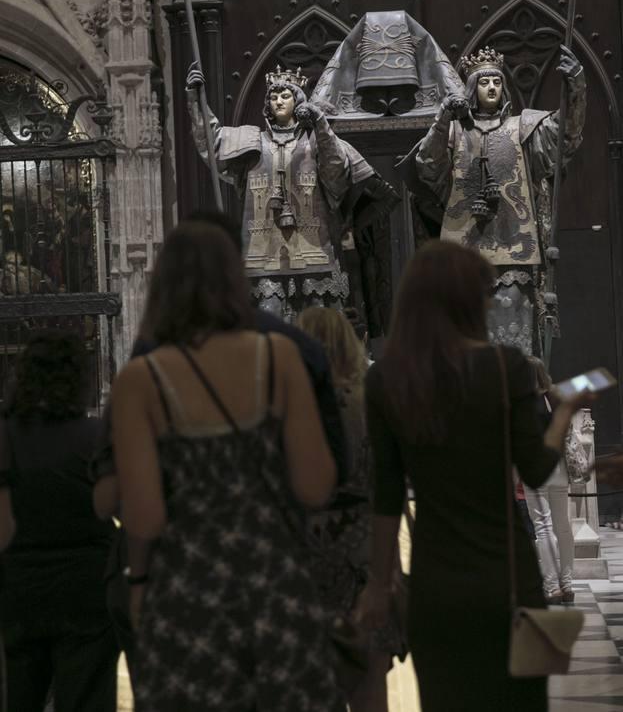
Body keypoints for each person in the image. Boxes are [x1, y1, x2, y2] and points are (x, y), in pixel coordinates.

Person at [111, 220, 344, 712]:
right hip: (275, 586)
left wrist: (138, 582)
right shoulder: (277, 357)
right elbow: (316, 484)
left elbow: (145, 517)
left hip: (188, 596)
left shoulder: (141, 380)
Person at [356, 240, 589, 712]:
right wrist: (563, 411)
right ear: (465, 300)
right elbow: (538, 466)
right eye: (485, 295)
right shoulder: (505, 369)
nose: (490, 304)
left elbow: (384, 497)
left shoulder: (387, 381)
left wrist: (379, 586)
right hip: (509, 580)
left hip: (436, 586)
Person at [398, 44, 586, 356]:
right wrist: (444, 115)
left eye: (497, 82)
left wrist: (575, 84)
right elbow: (427, 164)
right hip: (463, 256)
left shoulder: (522, 128)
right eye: (484, 82)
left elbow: (564, 134)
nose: (491, 88)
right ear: (472, 88)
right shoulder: (455, 132)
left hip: (514, 254)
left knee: (515, 348)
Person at [186, 64, 397, 322]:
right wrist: (196, 98)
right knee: (269, 335)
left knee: (320, 333)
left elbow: (337, 173)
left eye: (285, 95)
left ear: (298, 100)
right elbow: (213, 141)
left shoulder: (317, 142)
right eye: (273, 97)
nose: (278, 101)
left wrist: (319, 122)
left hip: (314, 254)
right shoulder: (252, 141)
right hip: (263, 258)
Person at [0, 330, 118, 712]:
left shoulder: (6, 438)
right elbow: (118, 509)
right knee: (87, 698)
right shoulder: (96, 437)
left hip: (21, 588)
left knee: (20, 697)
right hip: (87, 588)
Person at [297, 307, 394, 712]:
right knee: (369, 682)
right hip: (363, 546)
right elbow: (388, 481)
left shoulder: (292, 405)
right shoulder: (370, 399)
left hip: (307, 547)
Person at [524, 356, 575, 605]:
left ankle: (552, 586)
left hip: (537, 470)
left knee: (543, 528)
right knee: (563, 527)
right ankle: (567, 584)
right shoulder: (555, 399)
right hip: (559, 468)